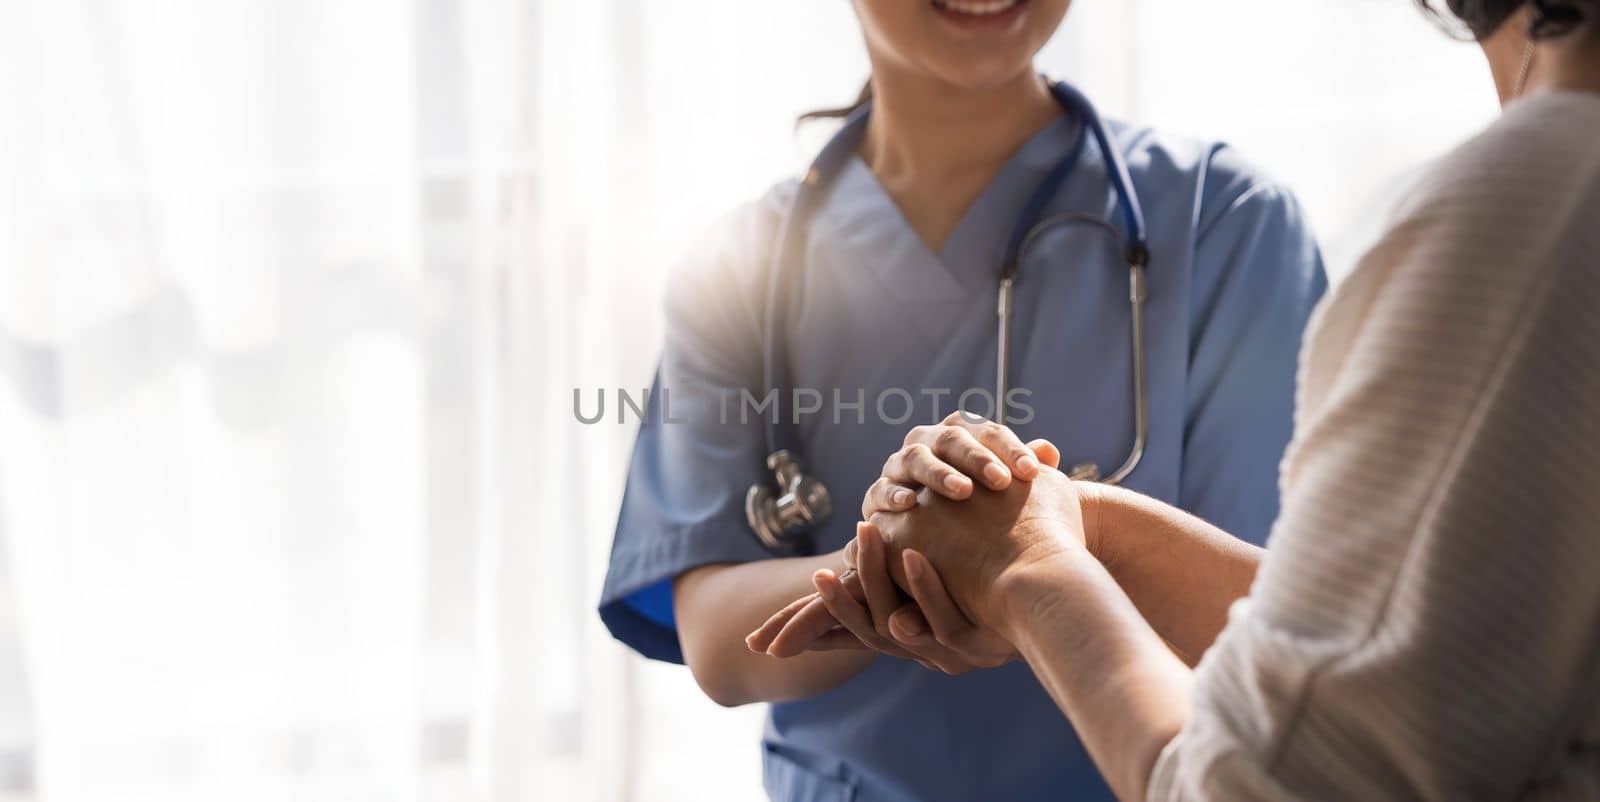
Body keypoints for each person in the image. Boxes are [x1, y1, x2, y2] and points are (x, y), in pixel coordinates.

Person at [751, 1, 1600, 799]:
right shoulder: (748, 256)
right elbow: (1413, 647)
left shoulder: (1532, 208)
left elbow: (1272, 774)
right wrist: (1075, 529)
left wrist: (1027, 570)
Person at [598, 0, 1327, 799]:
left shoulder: (1225, 223)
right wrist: (901, 567)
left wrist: (1012, 570)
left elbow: (1269, 626)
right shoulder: (738, 266)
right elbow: (714, 635)